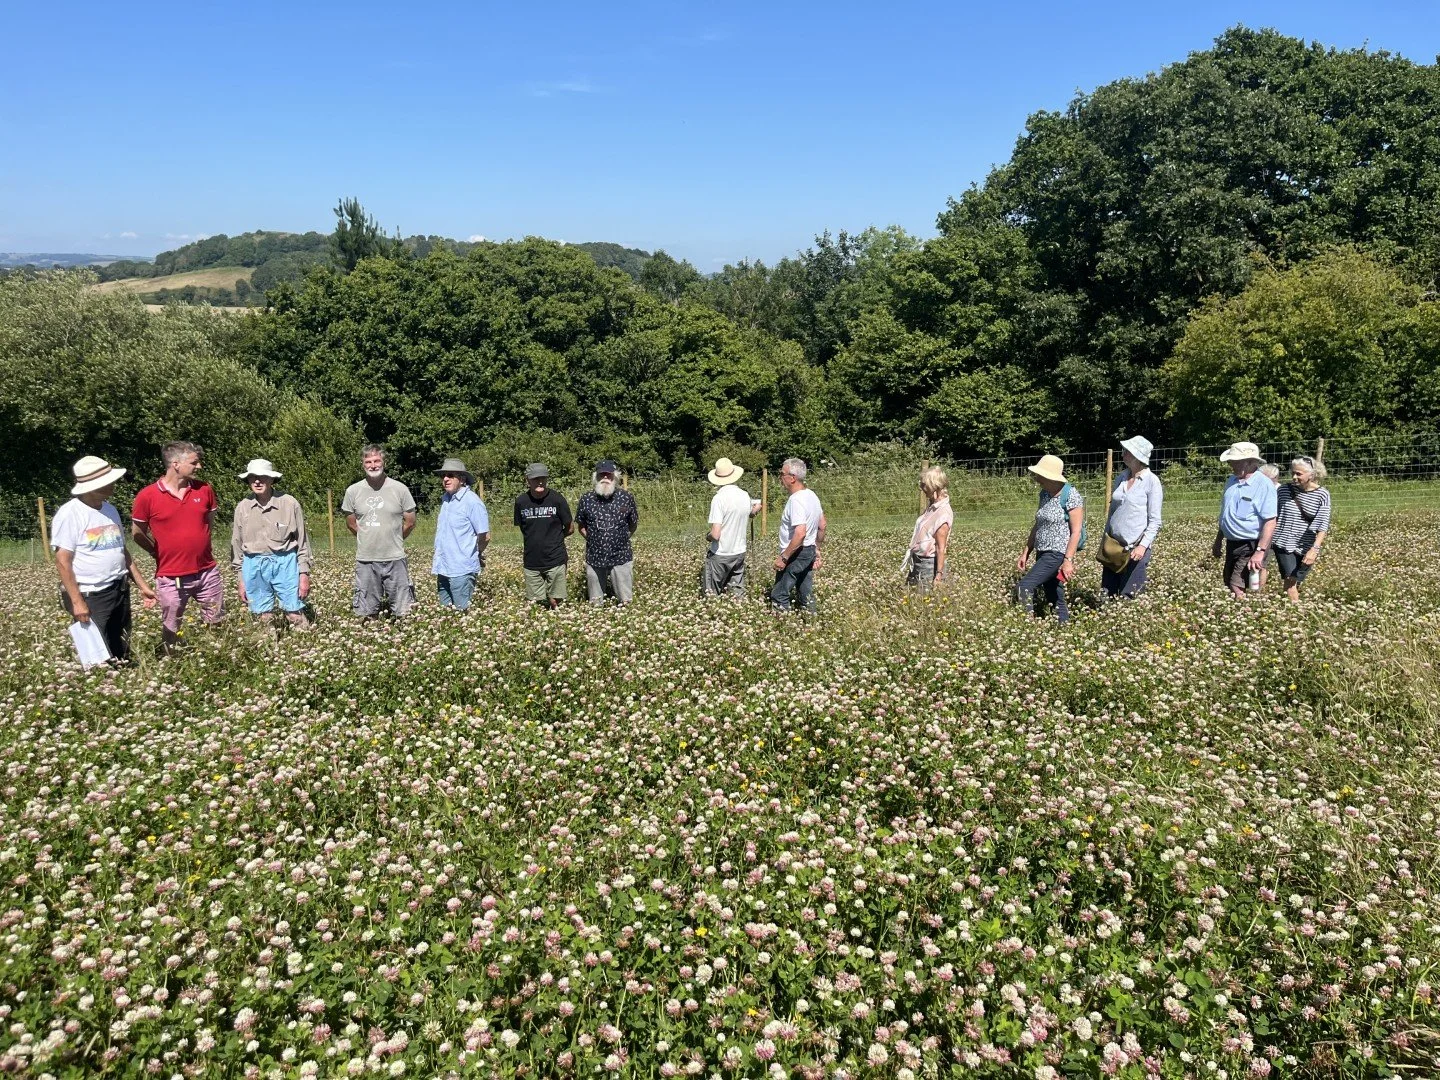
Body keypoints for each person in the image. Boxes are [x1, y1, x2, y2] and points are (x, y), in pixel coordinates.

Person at [52, 455, 157, 663]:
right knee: (96, 654)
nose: (114, 485)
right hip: (91, 593)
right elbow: (62, 561)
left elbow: (122, 552)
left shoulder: (110, 510)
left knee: (121, 644)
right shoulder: (69, 514)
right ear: (92, 487)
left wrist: (142, 585)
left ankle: (124, 681)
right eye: (108, 482)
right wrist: (77, 602)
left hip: (119, 588)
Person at [131, 441, 223, 646]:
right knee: (171, 625)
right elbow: (137, 533)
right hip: (171, 576)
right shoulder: (147, 496)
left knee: (215, 620)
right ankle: (170, 658)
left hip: (207, 571)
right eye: (194, 462)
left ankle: (215, 656)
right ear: (175, 464)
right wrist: (156, 551)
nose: (199, 467)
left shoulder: (205, 490)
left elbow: (208, 525)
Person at [230, 459, 312, 628]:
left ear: (272, 479)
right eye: (253, 477)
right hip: (253, 564)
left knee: (294, 613)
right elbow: (236, 545)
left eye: (262, 477)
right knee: (263, 616)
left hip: (285, 562)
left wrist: (304, 574)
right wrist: (241, 579)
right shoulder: (243, 507)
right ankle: (269, 647)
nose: (257, 481)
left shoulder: (289, 503)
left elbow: (302, 541)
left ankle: (305, 648)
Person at [341, 444, 417, 618]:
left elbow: (410, 522)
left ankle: (403, 639)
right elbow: (352, 524)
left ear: (384, 462)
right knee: (366, 612)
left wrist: (395, 538)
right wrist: (367, 538)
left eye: (376, 460)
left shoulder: (400, 489)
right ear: (363, 464)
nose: (373, 465)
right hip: (366, 559)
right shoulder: (353, 491)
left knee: (404, 610)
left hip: (395, 557)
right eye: (368, 461)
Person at [1099, 436, 1163, 599]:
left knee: (1130, 596)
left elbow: (1155, 520)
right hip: (1113, 546)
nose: (1123, 454)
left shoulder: (1151, 481)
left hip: (1135, 547)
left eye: (1127, 451)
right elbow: (1113, 510)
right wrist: (1105, 538)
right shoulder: (1121, 477)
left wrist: (1142, 546)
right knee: (1107, 594)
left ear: (1137, 456)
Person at [1212, 441, 1278, 598]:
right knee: (1229, 581)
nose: (1231, 465)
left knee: (1237, 583)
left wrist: (1260, 552)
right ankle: (1247, 606)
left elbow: (1270, 521)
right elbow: (1226, 515)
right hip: (1232, 542)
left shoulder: (1264, 485)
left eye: (1235, 462)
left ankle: (1246, 611)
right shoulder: (1231, 481)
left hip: (1251, 543)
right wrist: (1218, 540)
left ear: (1250, 462)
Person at [576, 460, 639, 606]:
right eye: (601, 474)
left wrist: (621, 539)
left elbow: (633, 524)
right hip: (594, 556)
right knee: (595, 602)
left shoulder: (626, 497)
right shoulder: (586, 499)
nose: (605, 477)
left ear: (615, 477)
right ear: (596, 477)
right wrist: (593, 540)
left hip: (621, 555)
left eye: (608, 475)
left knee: (626, 600)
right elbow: (581, 526)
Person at [432, 457, 490, 611]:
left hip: (461, 569)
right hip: (443, 566)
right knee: (446, 613)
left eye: (450, 475)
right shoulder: (446, 499)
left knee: (461, 612)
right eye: (443, 476)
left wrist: (475, 553)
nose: (445, 479)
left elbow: (484, 536)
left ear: (462, 479)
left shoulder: (472, 502)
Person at [514, 463, 573, 608]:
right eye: (535, 479)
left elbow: (570, 528)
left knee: (555, 601)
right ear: (527, 480)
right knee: (535, 603)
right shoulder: (521, 502)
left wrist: (555, 539)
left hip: (555, 559)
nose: (540, 482)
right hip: (532, 561)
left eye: (543, 478)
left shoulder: (557, 499)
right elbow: (523, 528)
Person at [1273, 455, 1331, 601]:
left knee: (1296, 579)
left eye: (1298, 474)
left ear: (1312, 474)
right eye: (1292, 472)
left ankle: (1287, 606)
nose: (1294, 477)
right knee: (1290, 578)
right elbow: (1273, 515)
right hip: (1283, 542)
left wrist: (1315, 549)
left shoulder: (1322, 495)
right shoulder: (1283, 491)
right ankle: (1298, 611)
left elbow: (1323, 524)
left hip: (1306, 544)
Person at [771, 458, 826, 612]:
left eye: (782, 474)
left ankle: (782, 629)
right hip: (808, 550)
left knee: (780, 594)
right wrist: (817, 549)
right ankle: (811, 626)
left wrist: (784, 557)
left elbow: (800, 533)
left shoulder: (796, 500)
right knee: (805, 593)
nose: (780, 478)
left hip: (796, 552)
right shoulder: (811, 495)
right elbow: (822, 525)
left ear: (792, 478)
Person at [703, 457, 761, 597]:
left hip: (721, 553)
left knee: (711, 593)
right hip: (739, 552)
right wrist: (757, 509)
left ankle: (713, 616)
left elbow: (716, 534)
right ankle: (740, 616)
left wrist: (707, 536)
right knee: (737, 592)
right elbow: (751, 512)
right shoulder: (744, 495)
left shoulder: (719, 498)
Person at [906, 466, 953, 591]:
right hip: (917, 561)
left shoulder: (943, 513)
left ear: (934, 486)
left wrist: (938, 576)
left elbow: (941, 548)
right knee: (911, 599)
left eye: (924, 485)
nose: (921, 488)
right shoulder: (933, 506)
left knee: (921, 602)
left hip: (928, 565)